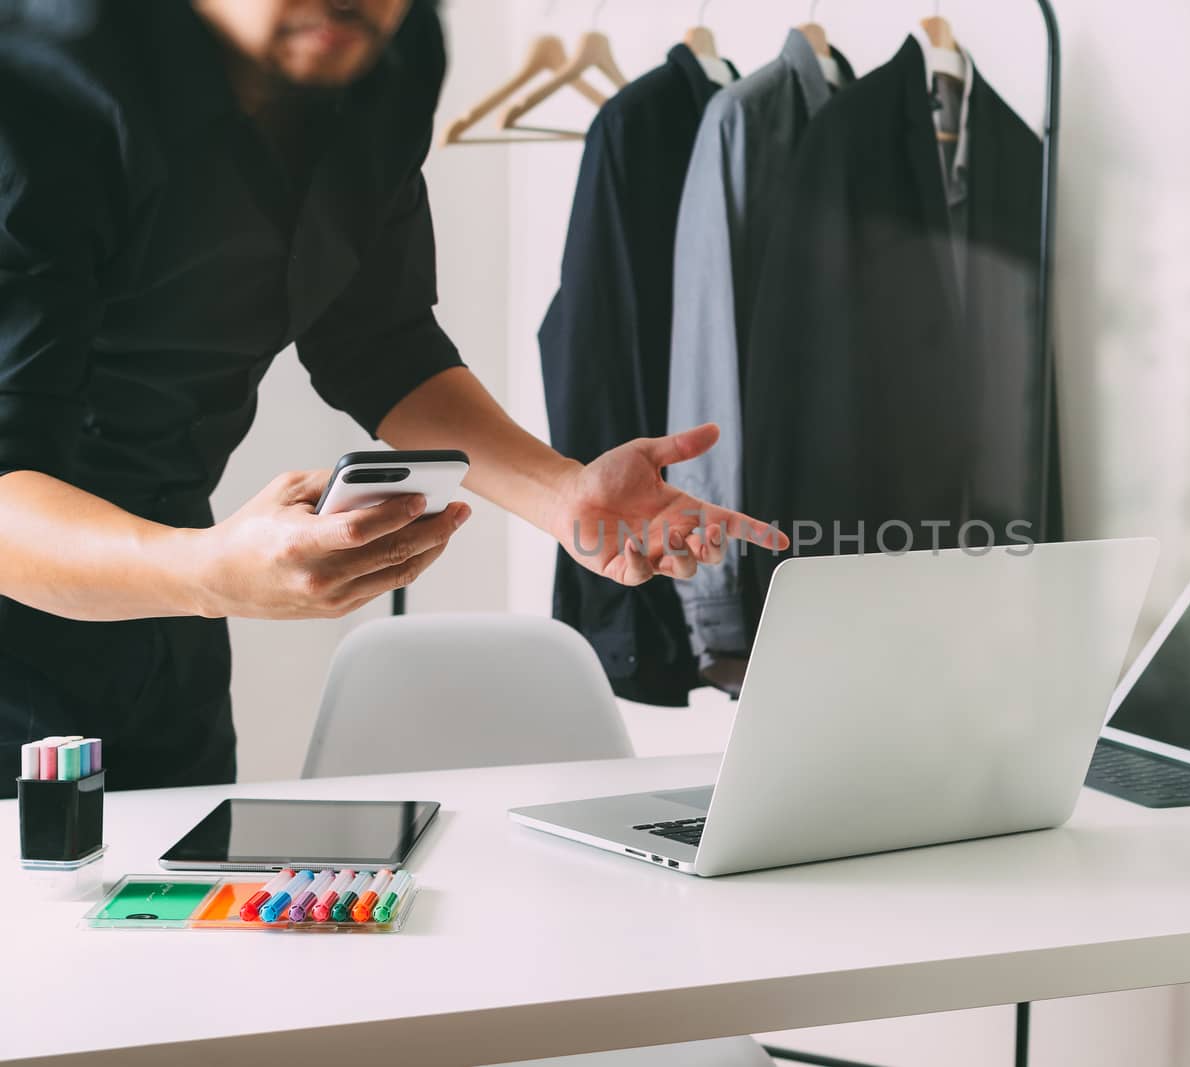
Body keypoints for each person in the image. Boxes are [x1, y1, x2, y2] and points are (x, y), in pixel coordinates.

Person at [0, 0, 786, 797]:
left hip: (168, 631)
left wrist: (565, 495)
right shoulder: (28, 88)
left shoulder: (382, 62)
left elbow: (378, 340)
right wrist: (209, 573)